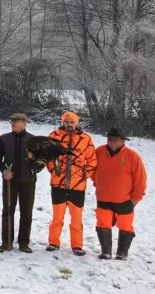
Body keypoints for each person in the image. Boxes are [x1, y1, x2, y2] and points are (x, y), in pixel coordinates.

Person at [45, 111, 96, 255]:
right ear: (63, 122)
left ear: (77, 123)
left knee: (77, 217)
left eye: (72, 122)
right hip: (58, 183)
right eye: (66, 122)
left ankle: (77, 245)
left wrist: (84, 175)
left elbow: (92, 160)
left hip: (78, 185)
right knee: (57, 216)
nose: (69, 125)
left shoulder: (85, 139)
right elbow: (47, 156)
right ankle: (53, 242)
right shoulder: (54, 136)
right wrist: (52, 170)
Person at [0, 113, 45, 253]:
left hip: (28, 181)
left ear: (24, 123)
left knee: (26, 213)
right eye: (12, 121)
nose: (13, 123)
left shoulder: (33, 140)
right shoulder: (4, 139)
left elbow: (41, 162)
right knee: (8, 211)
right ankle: (6, 242)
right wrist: (3, 170)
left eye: (16, 121)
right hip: (10, 181)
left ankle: (23, 243)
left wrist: (35, 165)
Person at [94, 128, 147, 260]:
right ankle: (105, 251)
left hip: (125, 200)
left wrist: (135, 199)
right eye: (109, 139)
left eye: (115, 140)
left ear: (123, 141)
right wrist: (98, 185)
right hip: (103, 198)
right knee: (103, 224)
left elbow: (141, 180)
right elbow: (92, 171)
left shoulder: (132, 156)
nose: (112, 142)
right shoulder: (99, 152)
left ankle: (122, 253)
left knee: (125, 227)